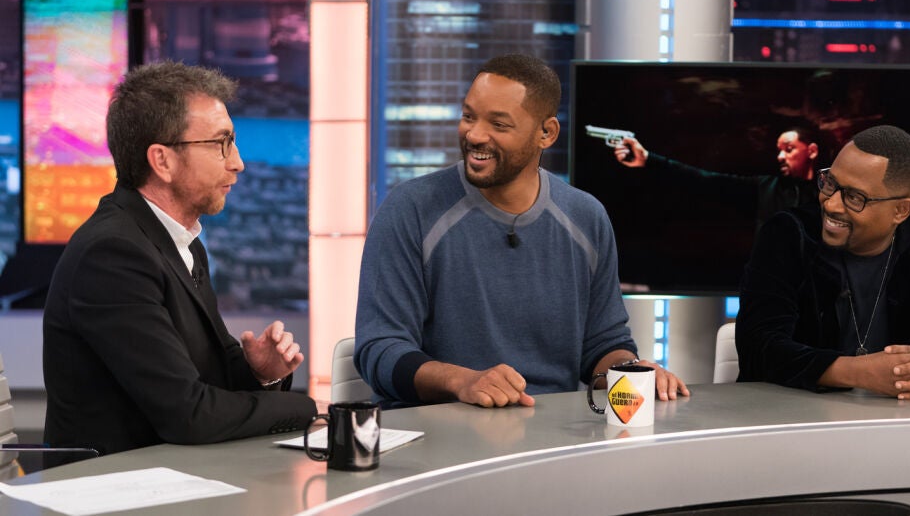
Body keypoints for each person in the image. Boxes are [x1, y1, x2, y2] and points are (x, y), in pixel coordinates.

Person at [354, 53, 687, 408]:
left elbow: (602, 344)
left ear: (546, 133)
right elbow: (379, 349)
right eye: (469, 116)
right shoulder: (410, 209)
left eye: (499, 124)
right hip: (438, 427)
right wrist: (462, 381)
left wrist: (633, 373)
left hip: (552, 429)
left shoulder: (586, 216)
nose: (474, 135)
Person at [43, 61, 316, 466]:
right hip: (112, 484)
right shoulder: (112, 255)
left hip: (170, 473)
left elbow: (210, 374)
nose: (237, 162)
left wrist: (261, 373)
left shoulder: (178, 241)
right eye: (220, 143)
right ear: (162, 161)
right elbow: (189, 414)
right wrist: (309, 409)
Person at [736, 125, 910, 399]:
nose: (831, 204)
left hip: (899, 419)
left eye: (854, 197)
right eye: (830, 183)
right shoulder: (787, 233)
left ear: (900, 210)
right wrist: (857, 372)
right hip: (792, 413)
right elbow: (757, 348)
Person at [612, 117, 824, 226]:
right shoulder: (767, 188)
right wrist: (649, 160)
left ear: (812, 151)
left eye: (789, 149)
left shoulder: (831, 191)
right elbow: (706, 181)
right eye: (779, 151)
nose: (780, 157)